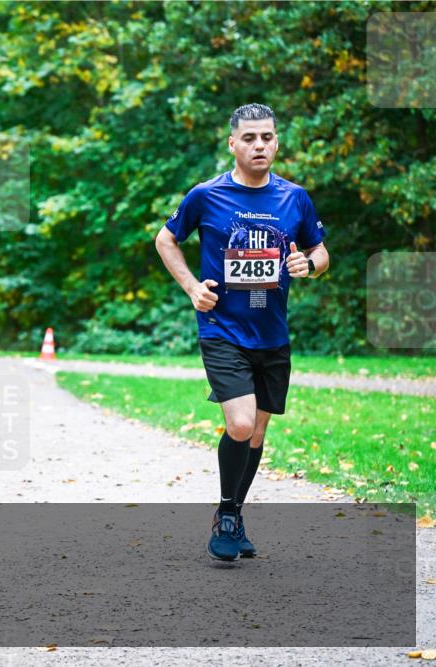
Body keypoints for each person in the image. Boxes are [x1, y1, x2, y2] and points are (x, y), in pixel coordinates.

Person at [154, 103, 329, 562]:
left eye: (267, 137)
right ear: (232, 143)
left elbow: (320, 251)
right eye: (249, 138)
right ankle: (228, 514)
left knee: (256, 435)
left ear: (277, 142)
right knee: (241, 423)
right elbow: (166, 238)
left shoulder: (295, 198)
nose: (259, 145)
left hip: (272, 333)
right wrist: (192, 287)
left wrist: (307, 265)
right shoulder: (206, 195)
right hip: (222, 329)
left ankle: (232, 512)